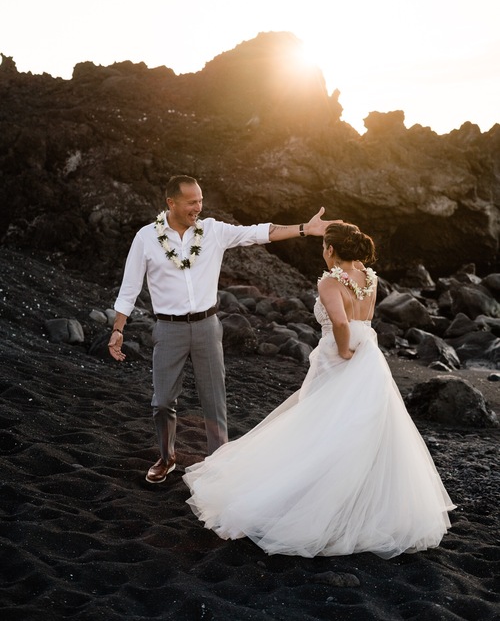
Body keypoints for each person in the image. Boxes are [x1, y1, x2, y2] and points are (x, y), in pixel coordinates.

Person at [183, 222, 456, 559]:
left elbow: (340, 323)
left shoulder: (330, 281)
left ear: (330, 249)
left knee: (317, 423)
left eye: (323, 248)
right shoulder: (369, 278)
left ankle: (305, 500)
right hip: (368, 353)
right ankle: (358, 506)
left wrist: (342, 350)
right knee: (362, 428)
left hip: (341, 354)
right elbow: (361, 320)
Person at [108, 174, 338, 484]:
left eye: (201, 200)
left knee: (214, 400)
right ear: (171, 203)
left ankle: (219, 465)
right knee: (162, 401)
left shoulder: (213, 231)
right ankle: (166, 457)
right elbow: (130, 285)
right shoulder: (146, 238)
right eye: (191, 202)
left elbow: (258, 233)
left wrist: (303, 229)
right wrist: (118, 328)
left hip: (207, 326)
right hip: (168, 329)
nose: (198, 207)